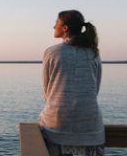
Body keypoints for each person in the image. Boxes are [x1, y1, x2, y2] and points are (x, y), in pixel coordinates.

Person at [39, 10, 105, 156]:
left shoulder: (52, 52)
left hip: (57, 125)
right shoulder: (93, 52)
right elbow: (95, 90)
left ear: (65, 28)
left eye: (56, 23)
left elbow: (47, 93)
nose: (53, 26)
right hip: (91, 127)